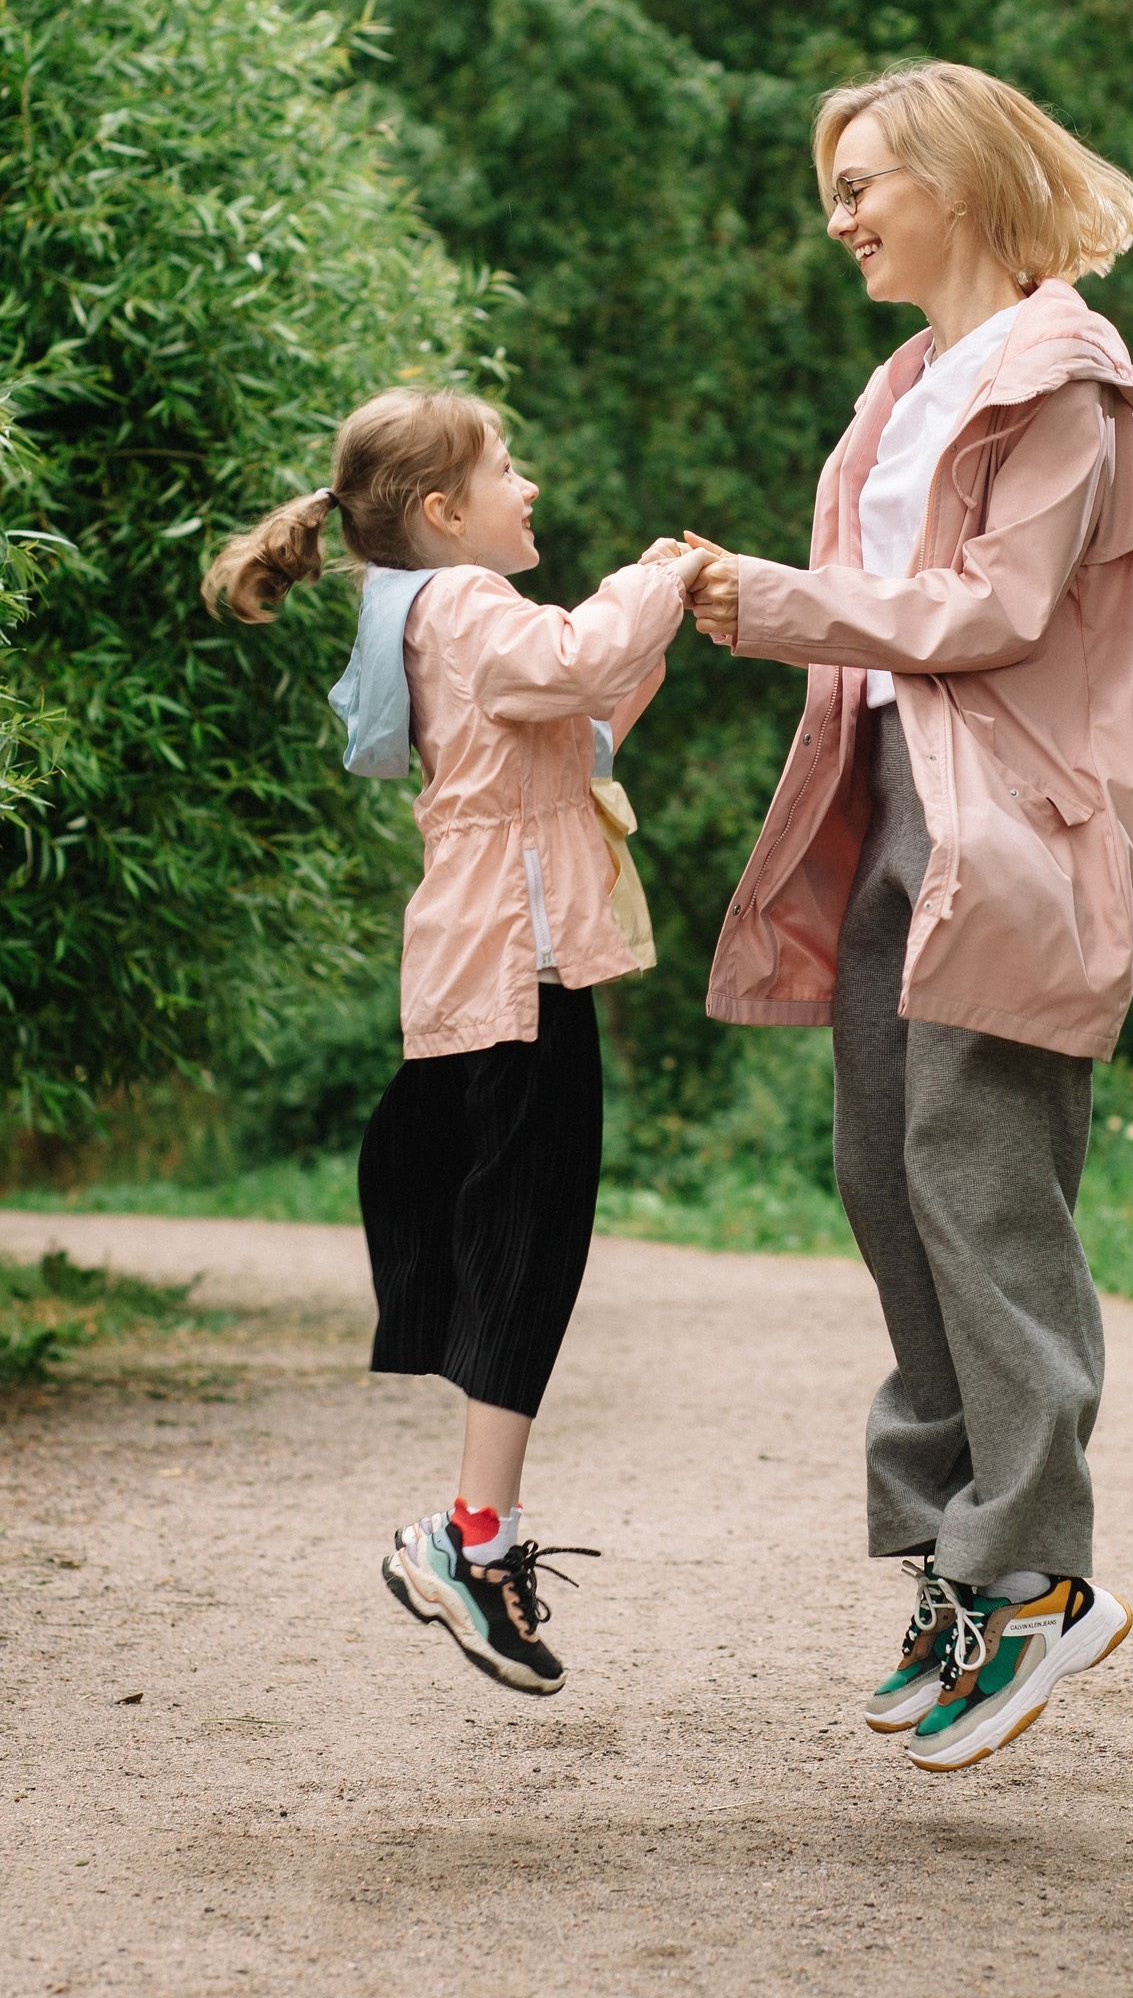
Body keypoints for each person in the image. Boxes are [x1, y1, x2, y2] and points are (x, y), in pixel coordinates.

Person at [682, 62, 1133, 1772]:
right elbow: (895, 613)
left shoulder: (1063, 378)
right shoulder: (904, 389)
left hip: (1015, 830)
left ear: (956, 180)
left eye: (862, 183)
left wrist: (770, 602)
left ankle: (1033, 1574)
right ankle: (965, 1560)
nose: (838, 218)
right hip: (898, 801)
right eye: (832, 188)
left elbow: (995, 609)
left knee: (979, 1187)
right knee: (886, 1173)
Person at [202, 389, 704, 1696]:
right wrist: (655, 583)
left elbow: (583, 726)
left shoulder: (436, 613)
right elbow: (578, 662)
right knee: (526, 1245)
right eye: (507, 468)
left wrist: (653, 619)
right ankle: (470, 1542)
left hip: (500, 966)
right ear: (442, 512)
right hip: (513, 973)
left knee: (525, 1246)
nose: (529, 487)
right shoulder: (468, 606)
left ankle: (476, 1535)